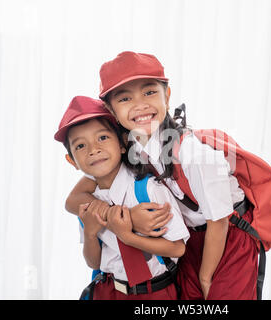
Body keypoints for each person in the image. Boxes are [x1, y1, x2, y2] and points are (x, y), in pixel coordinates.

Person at [66, 51, 263, 300]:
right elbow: (74, 199)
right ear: (111, 110)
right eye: (125, 98)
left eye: (149, 92)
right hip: (187, 240)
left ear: (166, 96)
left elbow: (219, 222)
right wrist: (121, 218)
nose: (140, 105)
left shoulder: (194, 155)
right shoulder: (129, 147)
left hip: (226, 238)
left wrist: (205, 277)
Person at [54, 95, 189, 300]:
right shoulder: (89, 203)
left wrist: (128, 236)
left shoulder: (148, 190)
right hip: (110, 290)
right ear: (71, 161)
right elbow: (94, 263)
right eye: (80, 146)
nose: (93, 150)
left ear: (123, 144)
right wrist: (90, 233)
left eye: (102, 138)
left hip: (155, 292)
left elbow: (178, 248)